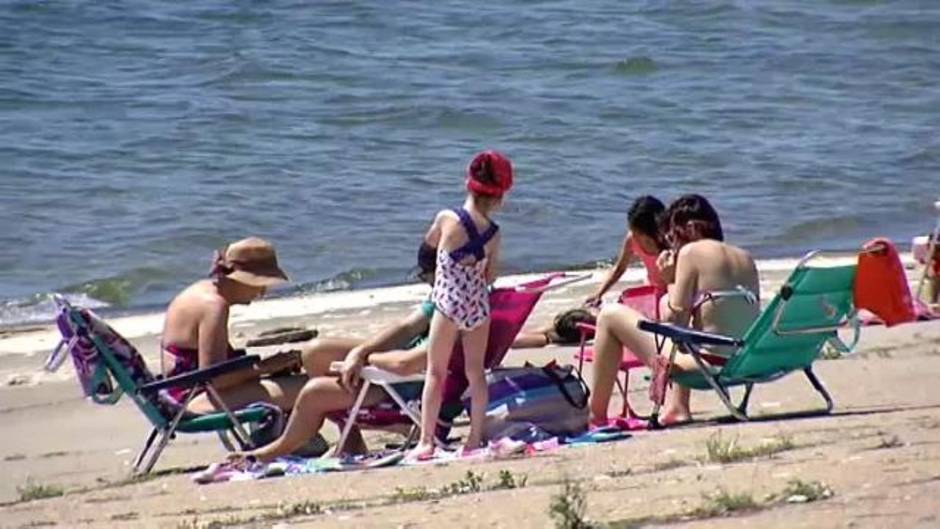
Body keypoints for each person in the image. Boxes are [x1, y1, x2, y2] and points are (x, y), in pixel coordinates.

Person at [227, 243, 440, 463]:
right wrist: (361, 351)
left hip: (407, 385)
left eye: (427, 276)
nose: (427, 282)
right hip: (395, 372)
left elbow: (409, 363)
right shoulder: (443, 298)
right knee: (315, 352)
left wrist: (367, 359)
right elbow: (406, 327)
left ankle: (270, 453)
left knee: (315, 392)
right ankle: (351, 438)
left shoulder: (458, 312)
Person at [588, 195, 760, 426]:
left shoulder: (690, 253)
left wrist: (670, 279)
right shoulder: (745, 257)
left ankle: (595, 416)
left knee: (610, 315)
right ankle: (677, 407)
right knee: (697, 326)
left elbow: (674, 324)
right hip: (746, 361)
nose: (671, 242)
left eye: (671, 233)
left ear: (686, 228)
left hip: (707, 365)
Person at [412, 150, 512, 459]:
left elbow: (428, 245)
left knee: (435, 373)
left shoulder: (447, 218)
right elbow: (491, 274)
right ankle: (473, 439)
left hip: (447, 303)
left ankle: (426, 441)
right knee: (476, 373)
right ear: (499, 196)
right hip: (477, 306)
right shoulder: (494, 234)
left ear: (467, 183)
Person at [160, 237, 307, 414]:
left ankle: (289, 438)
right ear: (237, 278)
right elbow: (216, 378)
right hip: (196, 398)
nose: (262, 292)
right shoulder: (213, 306)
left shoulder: (200, 291)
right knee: (315, 388)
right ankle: (293, 441)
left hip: (179, 392)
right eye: (259, 284)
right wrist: (266, 366)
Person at [511, 195, 667, 349]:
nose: (634, 236)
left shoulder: (669, 245)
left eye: (638, 233)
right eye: (633, 230)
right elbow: (619, 269)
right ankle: (525, 335)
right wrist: (599, 293)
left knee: (582, 324)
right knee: (576, 318)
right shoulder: (632, 239)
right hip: (645, 298)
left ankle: (531, 339)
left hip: (663, 303)